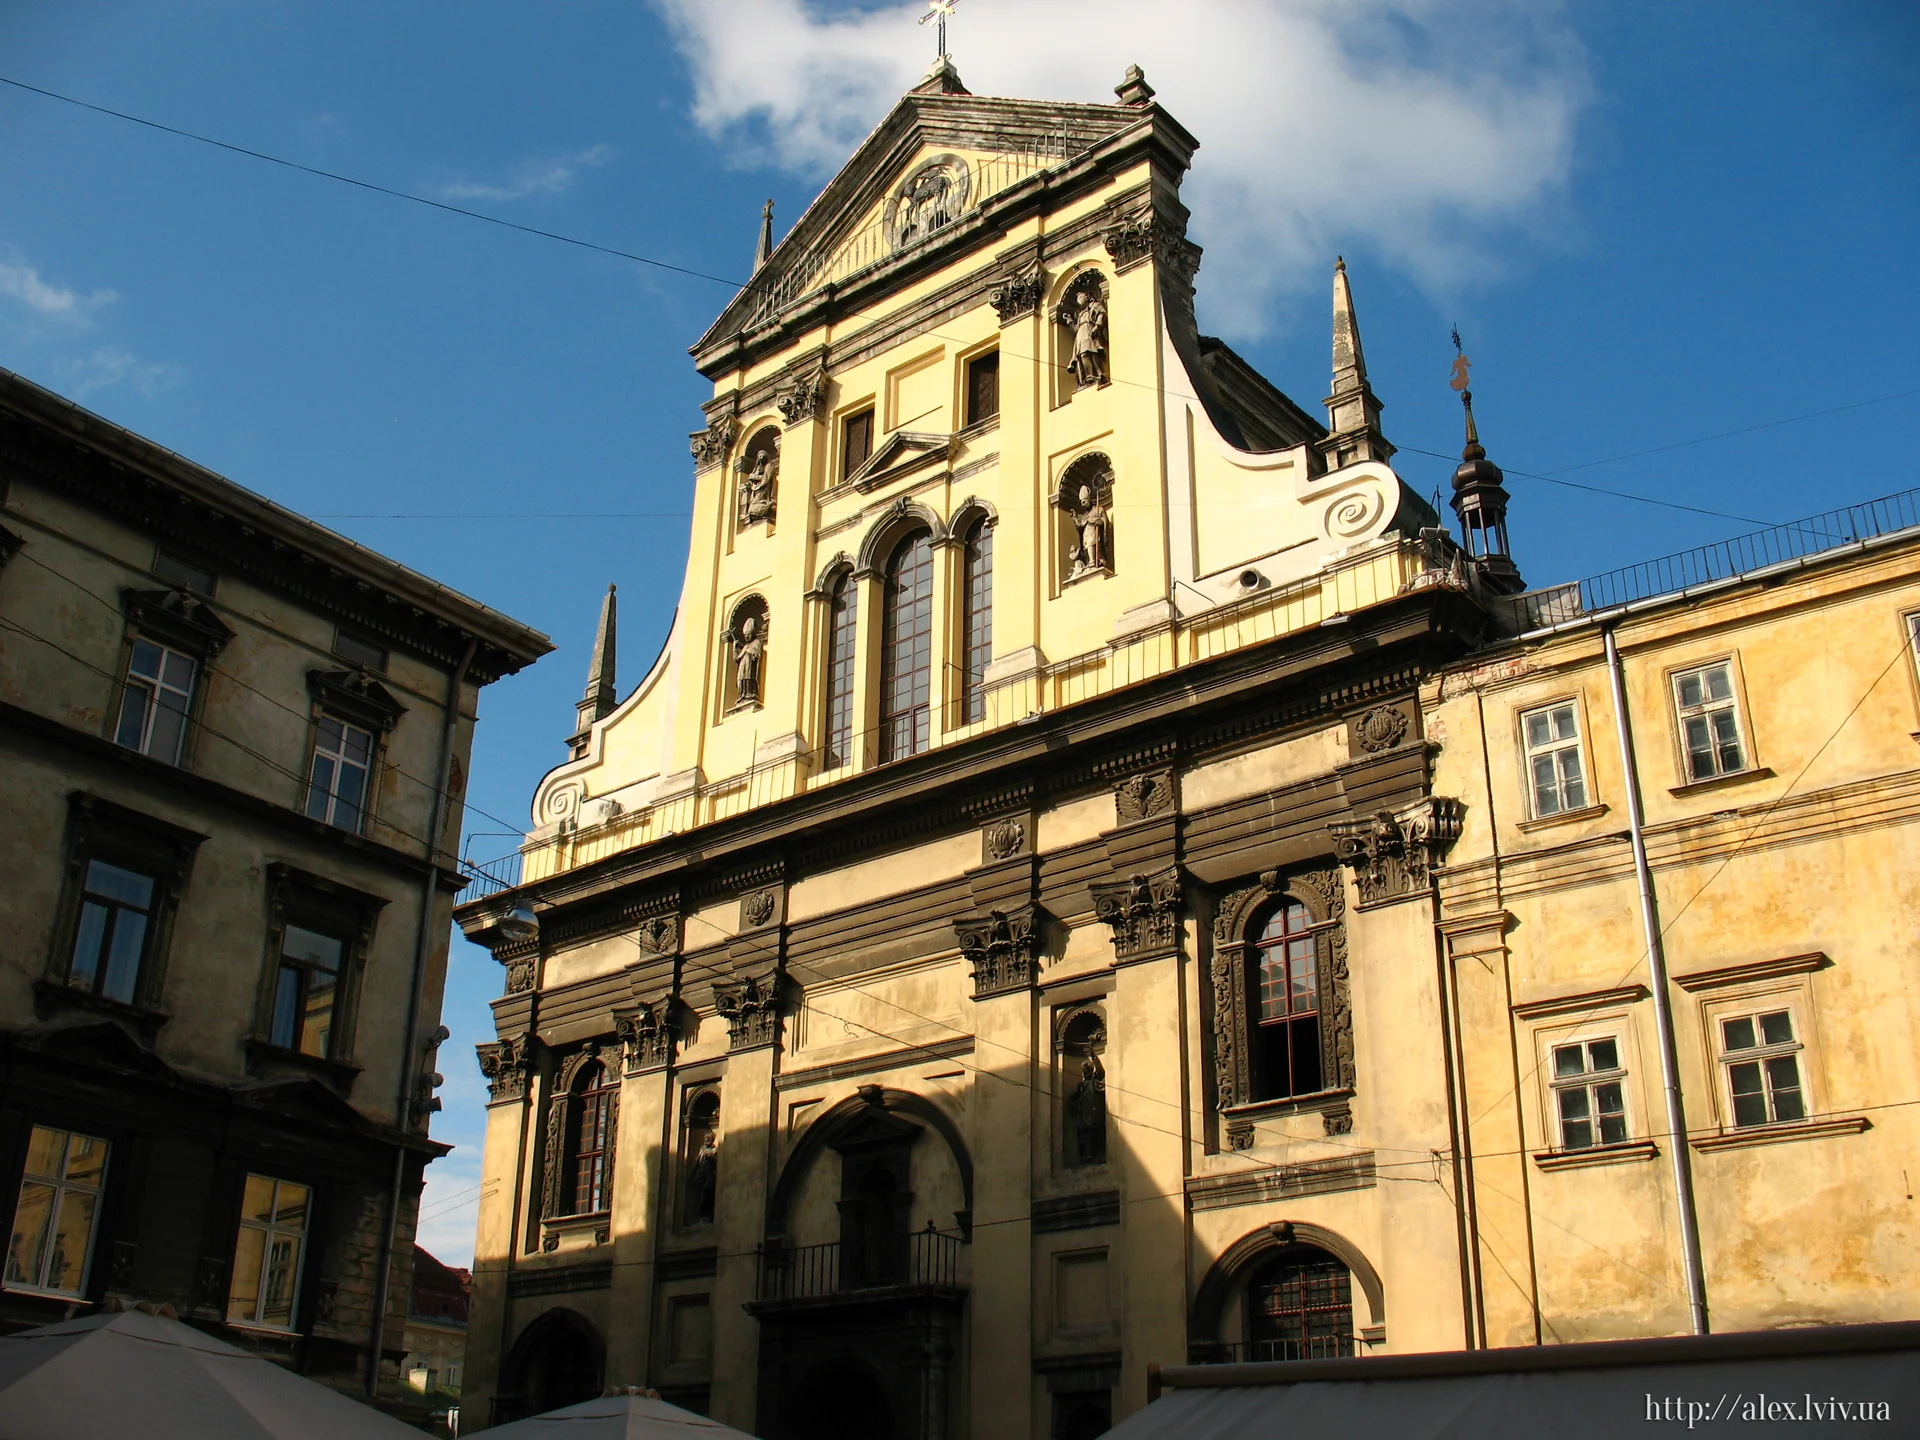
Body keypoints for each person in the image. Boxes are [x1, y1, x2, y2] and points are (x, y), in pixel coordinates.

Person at [734, 614, 764, 705]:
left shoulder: (756, 642)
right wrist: (735, 648)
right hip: (743, 667)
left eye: (748, 634)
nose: (746, 637)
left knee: (749, 678)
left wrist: (754, 655)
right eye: (745, 635)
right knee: (742, 679)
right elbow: (736, 659)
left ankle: (750, 693)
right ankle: (742, 694)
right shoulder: (745, 646)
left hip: (750, 666)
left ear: (753, 633)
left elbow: (757, 653)